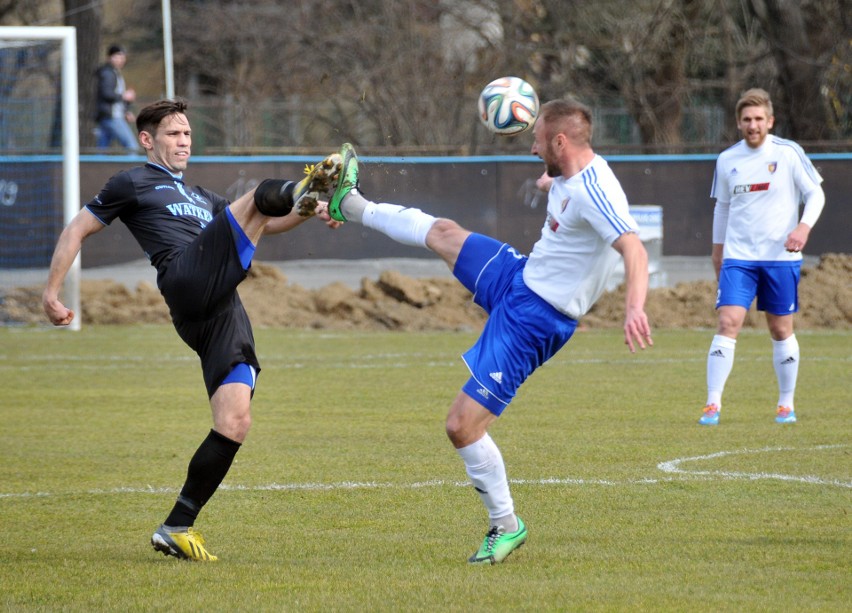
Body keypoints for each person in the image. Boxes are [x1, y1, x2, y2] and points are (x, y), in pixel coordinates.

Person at [319, 98, 653, 565]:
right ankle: (349, 202)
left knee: (461, 426)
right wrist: (549, 177)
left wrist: (634, 308)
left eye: (537, 140)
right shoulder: (570, 172)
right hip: (520, 277)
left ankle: (506, 525)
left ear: (560, 141)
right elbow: (564, 187)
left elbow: (634, 250)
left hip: (535, 321)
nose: (532, 148)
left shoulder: (596, 192)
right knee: (443, 232)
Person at [43, 98, 343, 561]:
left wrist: (311, 208)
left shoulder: (205, 199)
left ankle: (176, 526)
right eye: (173, 134)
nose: (183, 141)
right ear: (147, 140)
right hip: (185, 278)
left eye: (186, 134)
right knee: (261, 191)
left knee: (235, 420)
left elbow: (269, 218)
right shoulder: (132, 182)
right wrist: (52, 293)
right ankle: (308, 181)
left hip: (219, 307)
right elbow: (76, 230)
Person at [698, 88, 825, 426]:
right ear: (738, 123)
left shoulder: (788, 153)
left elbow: (816, 193)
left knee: (781, 330)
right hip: (739, 257)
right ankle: (712, 404)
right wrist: (717, 249)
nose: (752, 125)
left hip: (781, 259)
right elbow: (722, 207)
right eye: (746, 119)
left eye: (758, 119)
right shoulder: (727, 159)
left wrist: (803, 228)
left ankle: (786, 404)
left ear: (770, 121)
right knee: (728, 321)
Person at [94, 44, 139, 153]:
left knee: (102, 150)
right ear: (109, 57)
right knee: (132, 147)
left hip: (109, 115)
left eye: (122, 57)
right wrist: (124, 96)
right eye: (117, 56)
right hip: (112, 117)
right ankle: (133, 170)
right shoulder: (108, 73)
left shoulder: (114, 73)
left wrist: (126, 111)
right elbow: (106, 93)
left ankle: (96, 169)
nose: (121, 60)